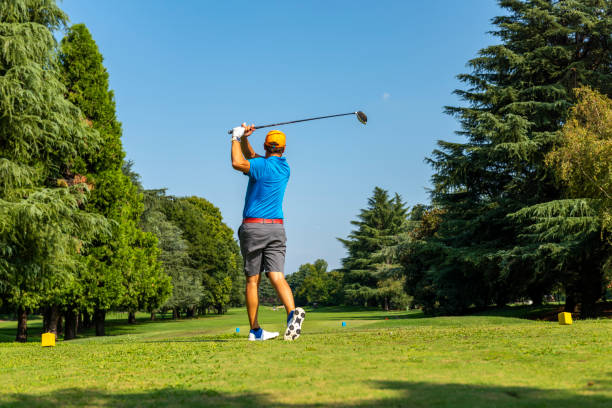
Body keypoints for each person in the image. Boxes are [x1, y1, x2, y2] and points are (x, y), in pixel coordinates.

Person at [231, 123, 306, 341]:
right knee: (277, 276)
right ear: (283, 149)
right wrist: (245, 138)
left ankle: (255, 330)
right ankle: (292, 315)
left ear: (266, 146)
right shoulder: (284, 168)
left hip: (253, 227)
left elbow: (238, 162)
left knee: (252, 281)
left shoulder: (259, 165)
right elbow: (252, 157)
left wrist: (235, 138)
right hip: (276, 227)